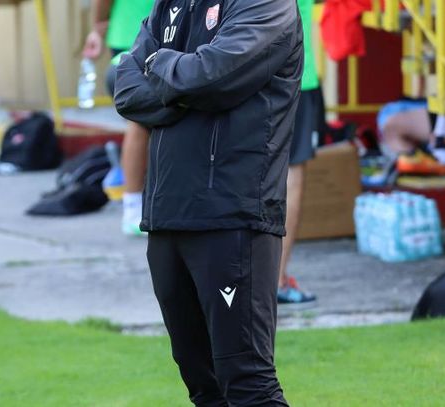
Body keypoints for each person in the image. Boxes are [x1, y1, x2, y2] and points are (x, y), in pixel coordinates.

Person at [115, 0, 303, 405]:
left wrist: (160, 63)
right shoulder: (168, 4)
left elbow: (210, 77)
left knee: (248, 382)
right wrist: (181, 83)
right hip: (166, 216)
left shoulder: (266, 4)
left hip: (232, 214)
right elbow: (126, 90)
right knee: (203, 385)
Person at [83, 0, 154, 236]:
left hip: (149, 34)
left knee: (150, 121)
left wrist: (97, 27)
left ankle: (139, 203)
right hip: (133, 37)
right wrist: (98, 26)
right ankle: (133, 208)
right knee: (140, 119)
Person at [277, 0, 319, 306]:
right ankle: (275, 279)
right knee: (291, 174)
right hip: (295, 73)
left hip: (243, 71)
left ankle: (245, 278)